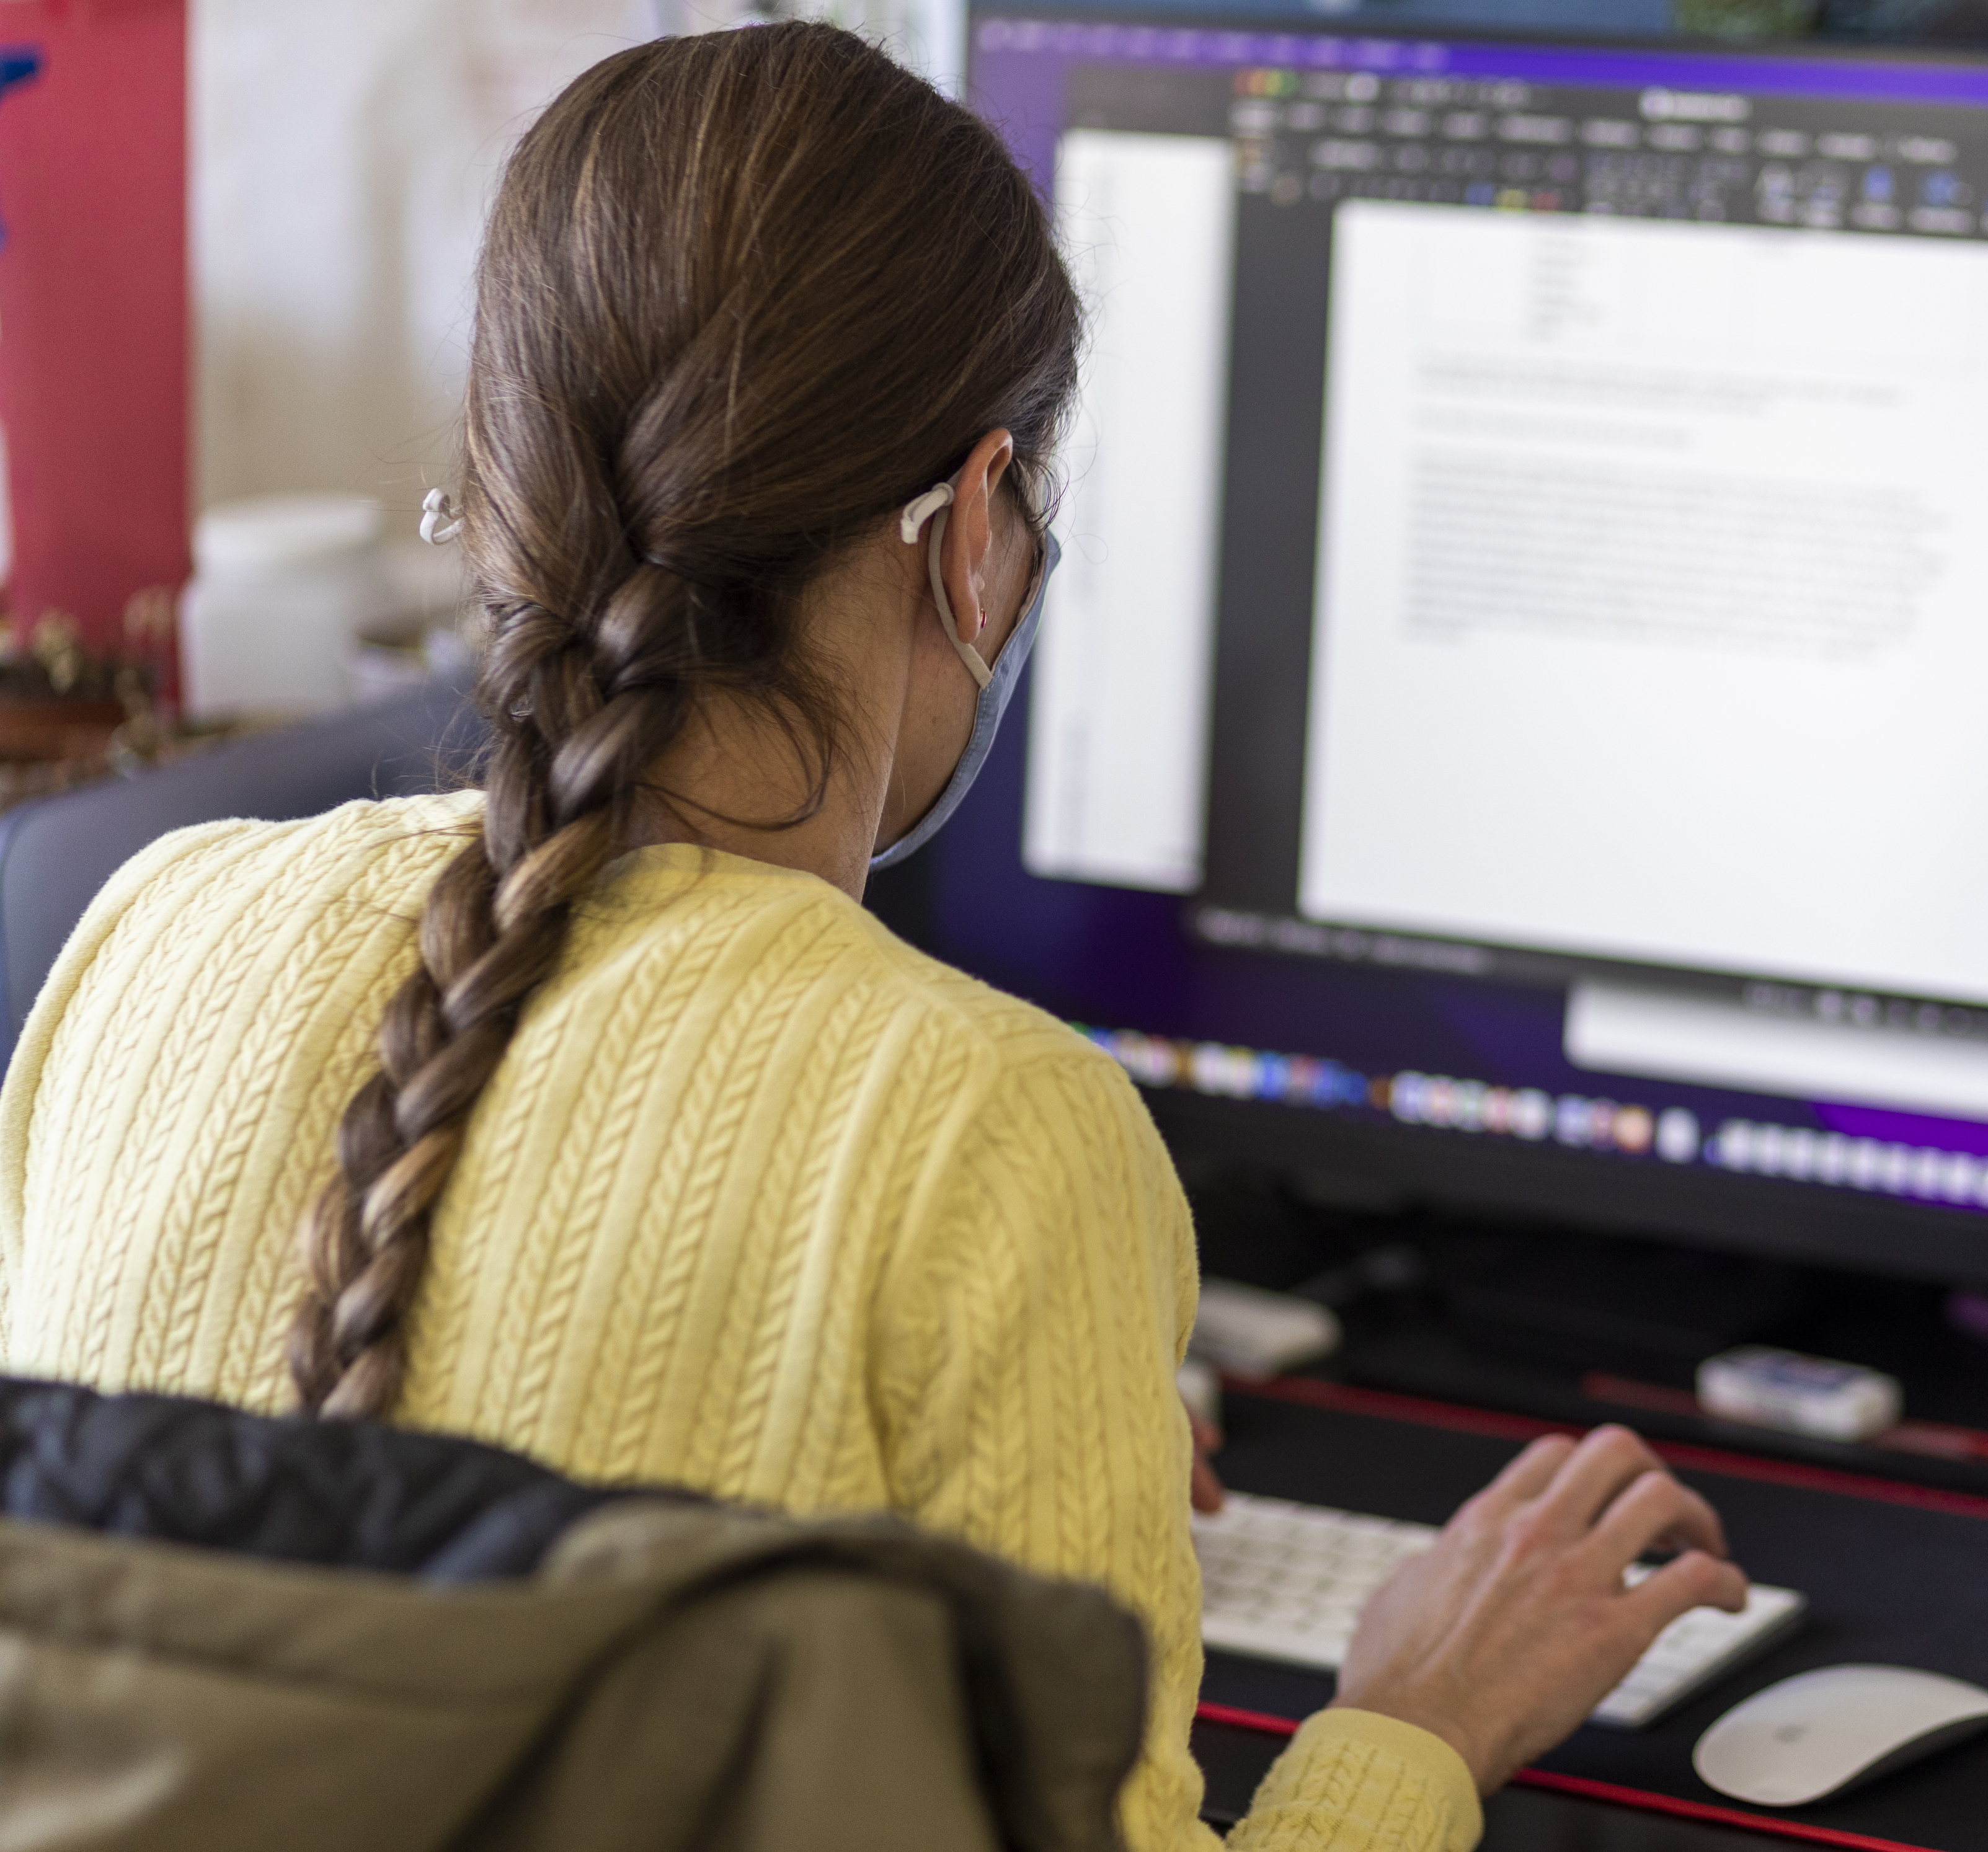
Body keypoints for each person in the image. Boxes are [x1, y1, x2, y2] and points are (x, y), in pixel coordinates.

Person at [0, 24, 1748, 1852]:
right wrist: (1417, 1721)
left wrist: (1024, 1388)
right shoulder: (991, 1131)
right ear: (973, 531)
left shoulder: (150, 935)